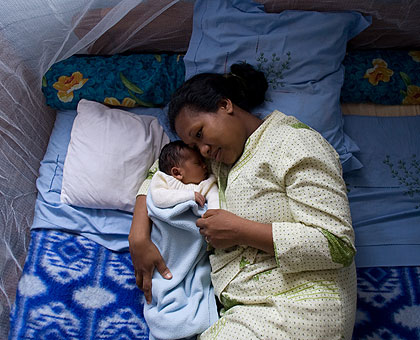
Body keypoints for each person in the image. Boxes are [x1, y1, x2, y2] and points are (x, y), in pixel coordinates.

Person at [129, 62, 357, 340]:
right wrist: (138, 234)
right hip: (241, 310)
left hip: (301, 307)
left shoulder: (293, 143)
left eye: (200, 134)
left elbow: (338, 244)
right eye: (194, 147)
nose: (203, 150)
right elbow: (161, 170)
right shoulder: (218, 161)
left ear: (225, 105)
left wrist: (240, 231)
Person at [143, 140, 219, 340]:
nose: (204, 166)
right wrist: (187, 197)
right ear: (177, 172)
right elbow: (158, 199)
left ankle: (190, 319)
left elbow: (216, 208)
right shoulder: (162, 181)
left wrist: (212, 215)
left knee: (196, 282)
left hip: (194, 246)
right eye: (198, 163)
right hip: (169, 247)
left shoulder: (206, 183)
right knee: (165, 284)